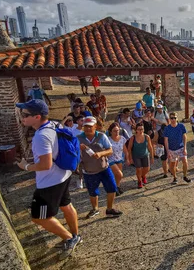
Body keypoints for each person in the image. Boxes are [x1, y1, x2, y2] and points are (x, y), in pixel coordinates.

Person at [15, 99, 81, 257]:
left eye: (25, 114)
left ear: (37, 117)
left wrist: (25, 166)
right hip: (64, 174)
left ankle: (69, 238)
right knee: (67, 206)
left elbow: (45, 165)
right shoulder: (55, 124)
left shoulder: (41, 136)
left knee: (39, 217)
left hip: (50, 182)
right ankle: (76, 235)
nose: (21, 117)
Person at [77, 117, 123, 219]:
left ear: (95, 126)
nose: (88, 129)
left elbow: (110, 150)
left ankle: (109, 209)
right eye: (86, 126)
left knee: (112, 188)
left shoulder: (101, 136)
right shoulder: (78, 138)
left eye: (90, 126)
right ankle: (95, 209)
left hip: (104, 168)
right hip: (89, 171)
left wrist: (101, 153)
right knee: (92, 192)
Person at [164, 112, 191, 184]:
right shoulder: (167, 128)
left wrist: (185, 147)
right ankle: (175, 177)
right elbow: (166, 141)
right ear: (169, 119)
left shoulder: (181, 126)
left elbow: (184, 136)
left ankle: (185, 176)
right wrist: (167, 151)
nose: (173, 119)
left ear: (177, 118)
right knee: (172, 165)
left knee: (185, 162)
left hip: (181, 147)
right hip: (172, 149)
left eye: (174, 118)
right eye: (171, 118)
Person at [127, 123, 154, 188]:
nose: (140, 131)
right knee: (138, 169)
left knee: (147, 169)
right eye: (139, 129)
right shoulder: (133, 138)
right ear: (136, 130)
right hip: (136, 156)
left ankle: (143, 176)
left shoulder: (147, 137)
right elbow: (129, 148)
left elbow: (150, 147)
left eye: (142, 129)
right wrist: (130, 158)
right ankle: (139, 181)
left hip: (145, 154)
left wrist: (152, 157)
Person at [107, 122, 129, 196]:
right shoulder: (108, 140)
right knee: (120, 174)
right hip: (110, 159)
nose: (116, 132)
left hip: (119, 158)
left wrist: (127, 158)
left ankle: (117, 187)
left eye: (117, 130)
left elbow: (125, 149)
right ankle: (114, 187)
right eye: (114, 131)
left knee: (117, 176)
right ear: (111, 131)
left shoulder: (122, 138)